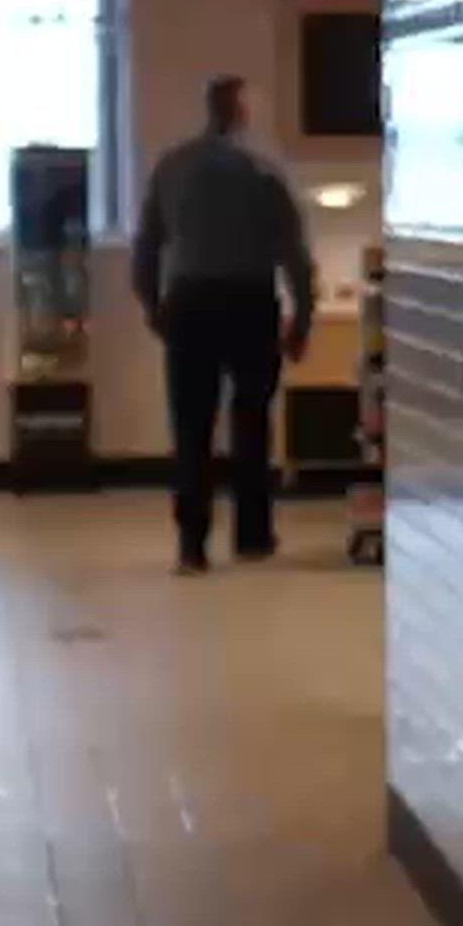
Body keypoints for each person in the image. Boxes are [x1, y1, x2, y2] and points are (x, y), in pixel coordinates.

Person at [133, 75, 318, 572]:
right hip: (249, 302)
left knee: (191, 425)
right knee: (252, 419)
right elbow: (294, 254)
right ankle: (252, 535)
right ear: (241, 112)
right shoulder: (262, 172)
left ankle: (191, 545)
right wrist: (301, 319)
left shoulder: (171, 167)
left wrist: (153, 305)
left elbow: (147, 244)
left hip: (190, 302)